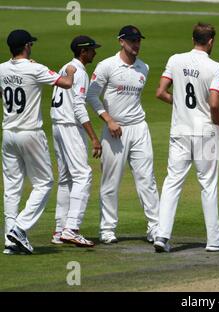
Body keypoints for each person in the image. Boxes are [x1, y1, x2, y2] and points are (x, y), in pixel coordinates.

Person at [153, 22, 219, 253]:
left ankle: (162, 235)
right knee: (208, 184)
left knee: (172, 182)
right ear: (210, 42)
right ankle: (214, 241)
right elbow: (214, 102)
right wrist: (217, 124)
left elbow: (160, 92)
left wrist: (178, 104)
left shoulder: (175, 59)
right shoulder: (215, 66)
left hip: (180, 131)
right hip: (205, 131)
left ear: (193, 39)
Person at [1, 29, 76, 255]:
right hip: (31, 132)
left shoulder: (1, 69)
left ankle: (9, 239)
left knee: (12, 187)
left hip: (8, 133)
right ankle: (19, 228)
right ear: (26, 46)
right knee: (44, 183)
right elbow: (65, 83)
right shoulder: (35, 68)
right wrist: (71, 71)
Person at [86, 25, 159, 244]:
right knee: (111, 180)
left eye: (138, 40)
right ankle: (107, 229)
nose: (136, 44)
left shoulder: (143, 67)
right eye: (131, 40)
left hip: (139, 128)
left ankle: (155, 228)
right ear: (121, 41)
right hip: (114, 131)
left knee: (147, 180)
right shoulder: (107, 65)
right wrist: (109, 120)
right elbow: (91, 96)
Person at [50, 36, 102, 247]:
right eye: (91, 50)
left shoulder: (66, 67)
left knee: (65, 178)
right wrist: (94, 137)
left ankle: (59, 230)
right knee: (83, 174)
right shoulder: (79, 72)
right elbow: (79, 107)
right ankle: (71, 228)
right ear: (83, 52)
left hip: (56, 125)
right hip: (70, 126)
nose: (94, 53)